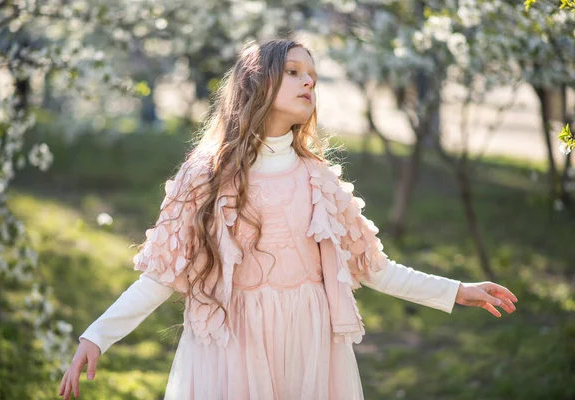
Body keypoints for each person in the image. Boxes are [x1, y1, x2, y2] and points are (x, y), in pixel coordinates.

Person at [58, 38, 518, 400]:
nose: (308, 83)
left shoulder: (318, 180)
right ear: (257, 84)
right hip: (233, 348)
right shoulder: (206, 178)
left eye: (312, 76)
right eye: (294, 72)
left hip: (309, 347)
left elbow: (372, 268)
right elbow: (162, 275)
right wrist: (97, 335)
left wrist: (456, 291)